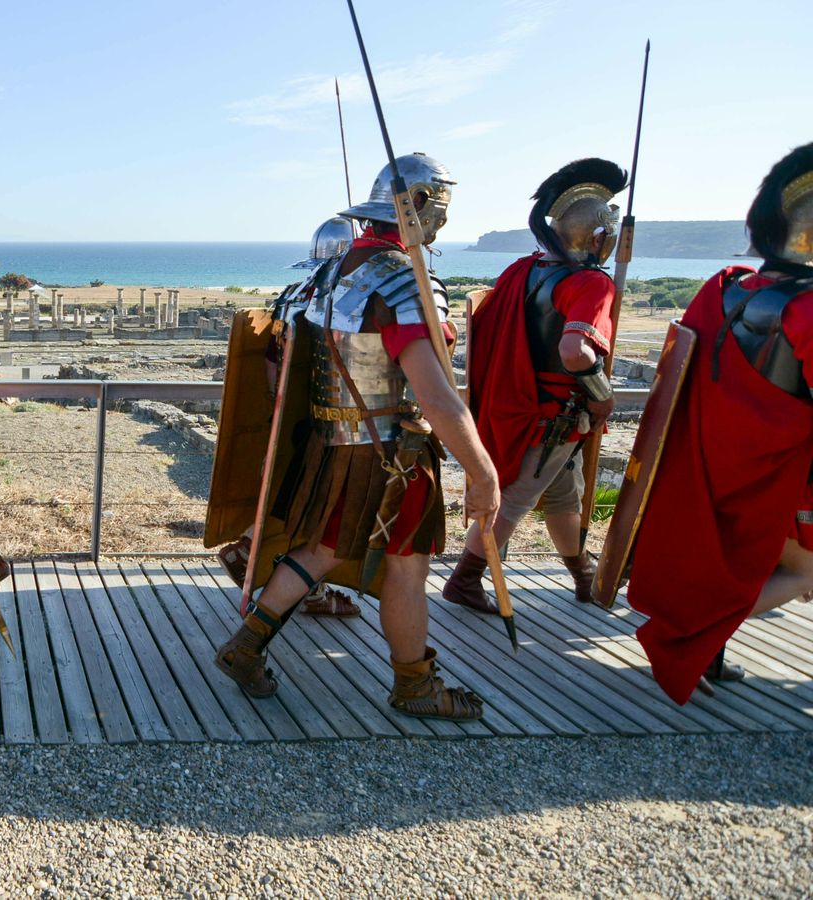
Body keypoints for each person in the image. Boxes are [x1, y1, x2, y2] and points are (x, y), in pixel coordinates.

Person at [212, 154, 498, 721]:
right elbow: (434, 394)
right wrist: (483, 472)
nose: (443, 220)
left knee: (320, 549)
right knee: (407, 566)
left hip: (334, 443)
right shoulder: (402, 279)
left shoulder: (334, 272)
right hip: (393, 453)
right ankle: (414, 683)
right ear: (420, 208)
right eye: (439, 207)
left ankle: (246, 645)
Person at [620, 143, 813, 702]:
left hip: (718, 463)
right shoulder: (805, 310)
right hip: (784, 475)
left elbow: (693, 377)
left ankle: (708, 652)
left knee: (742, 564)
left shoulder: (727, 288)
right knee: (802, 575)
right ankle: (687, 638)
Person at [445, 159, 626, 610]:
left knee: (564, 494)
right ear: (599, 236)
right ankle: (465, 579)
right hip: (552, 418)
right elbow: (575, 353)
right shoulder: (590, 283)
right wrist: (603, 397)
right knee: (514, 500)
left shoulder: (524, 271)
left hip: (523, 407)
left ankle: (584, 576)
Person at [217, 216, 362, 618]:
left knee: (303, 502)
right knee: (325, 513)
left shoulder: (295, 294)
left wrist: (276, 412)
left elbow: (272, 363)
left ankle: (257, 553)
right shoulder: (350, 296)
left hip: (297, 420)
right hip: (342, 426)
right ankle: (274, 569)